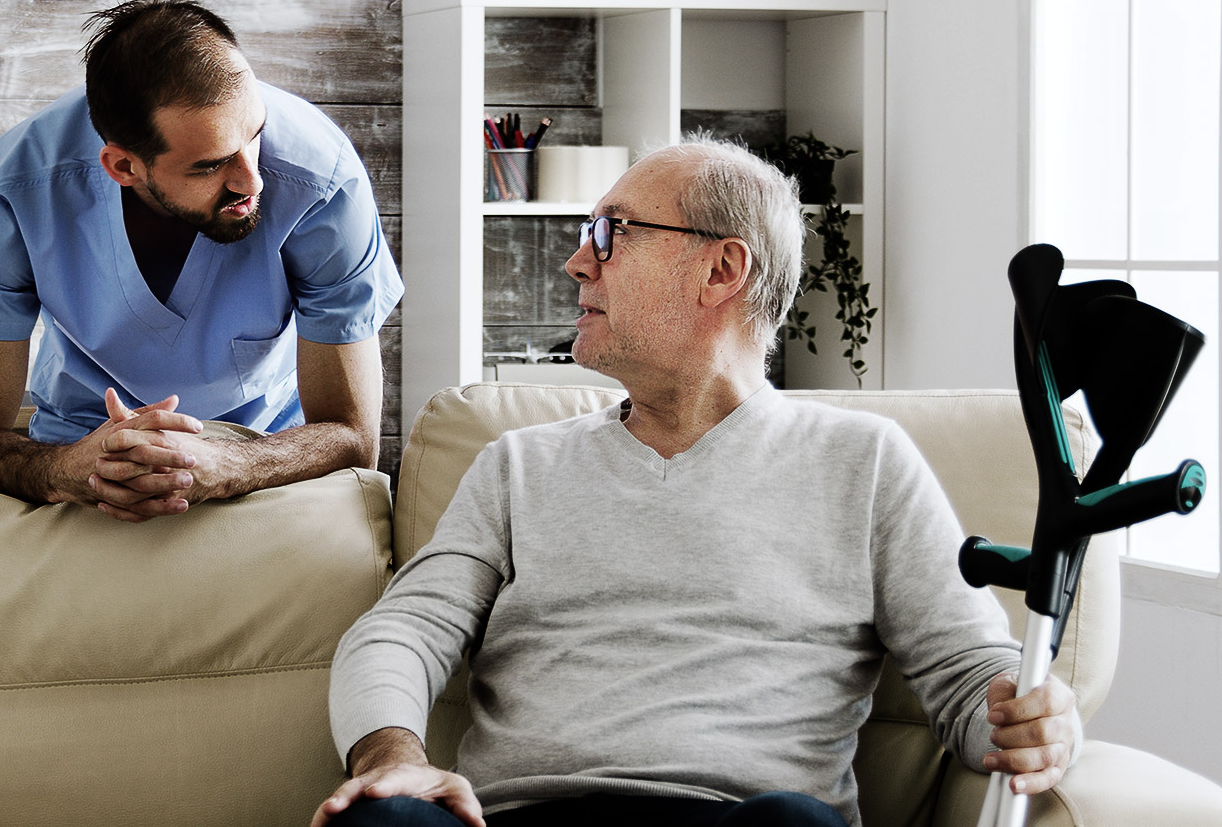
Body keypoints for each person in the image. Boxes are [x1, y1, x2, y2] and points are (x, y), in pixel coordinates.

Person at [313, 137, 1080, 827]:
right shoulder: (519, 464)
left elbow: (971, 673)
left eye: (611, 233)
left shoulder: (864, 462)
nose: (578, 261)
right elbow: (401, 634)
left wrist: (1037, 719)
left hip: (741, 820)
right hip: (523, 815)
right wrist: (391, 759)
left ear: (722, 269)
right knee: (383, 822)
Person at [0, 0, 402, 523]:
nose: (253, 181)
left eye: (256, 135)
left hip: (270, 455)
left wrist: (236, 463)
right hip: (83, 448)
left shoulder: (322, 180)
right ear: (123, 165)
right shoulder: (12, 188)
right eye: (210, 165)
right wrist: (64, 470)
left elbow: (354, 440)